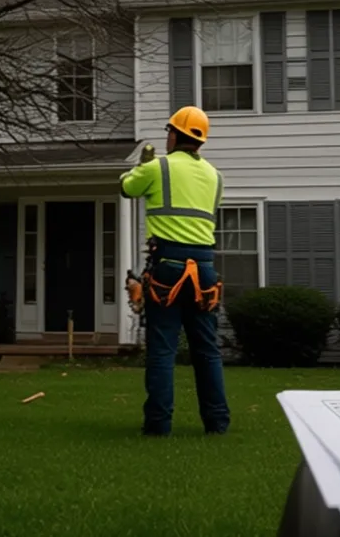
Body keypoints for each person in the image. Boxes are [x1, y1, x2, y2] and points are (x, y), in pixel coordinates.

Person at [120, 105, 230, 437]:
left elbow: (125, 187)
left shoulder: (158, 167)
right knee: (207, 351)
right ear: (200, 141)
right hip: (205, 269)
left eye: (169, 131)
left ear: (174, 134)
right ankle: (217, 424)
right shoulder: (215, 176)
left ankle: (158, 425)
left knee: (163, 349)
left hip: (168, 267)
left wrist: (142, 166)